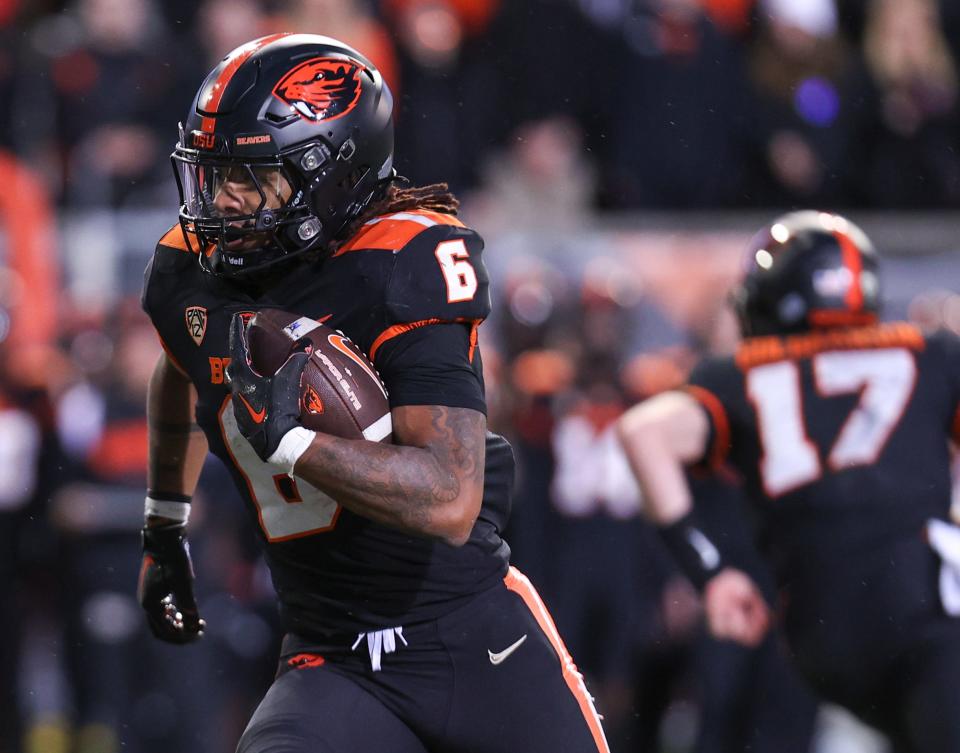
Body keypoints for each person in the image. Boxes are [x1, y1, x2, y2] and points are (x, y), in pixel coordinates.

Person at [138, 33, 609, 753]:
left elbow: (451, 498)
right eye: (212, 173)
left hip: (469, 638)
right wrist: (164, 522)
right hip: (330, 658)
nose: (221, 202)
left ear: (332, 172)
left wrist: (294, 442)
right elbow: (182, 363)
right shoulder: (190, 271)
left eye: (249, 175)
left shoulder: (404, 258)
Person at [617, 210, 960, 752]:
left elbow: (644, 434)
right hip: (918, 602)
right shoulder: (928, 353)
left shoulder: (741, 372)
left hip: (817, 626)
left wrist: (709, 574)